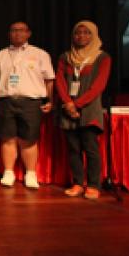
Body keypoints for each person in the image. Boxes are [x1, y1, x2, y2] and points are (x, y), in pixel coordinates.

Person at [0, 21, 55, 189]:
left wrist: (50, 100)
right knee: (7, 138)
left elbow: (49, 80)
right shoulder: (0, 55)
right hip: (5, 100)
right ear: (9, 34)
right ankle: (9, 172)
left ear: (28, 33)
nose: (17, 33)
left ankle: (31, 174)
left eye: (21, 30)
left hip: (31, 101)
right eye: (13, 31)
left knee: (29, 139)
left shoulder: (40, 54)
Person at [55, 21, 111, 199]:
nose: (81, 36)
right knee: (73, 149)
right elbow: (60, 82)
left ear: (93, 36)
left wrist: (77, 104)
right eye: (77, 33)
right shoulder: (65, 57)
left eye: (86, 33)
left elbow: (98, 86)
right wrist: (67, 103)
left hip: (89, 109)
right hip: (68, 108)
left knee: (90, 148)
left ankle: (94, 185)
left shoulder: (102, 58)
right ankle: (78, 183)